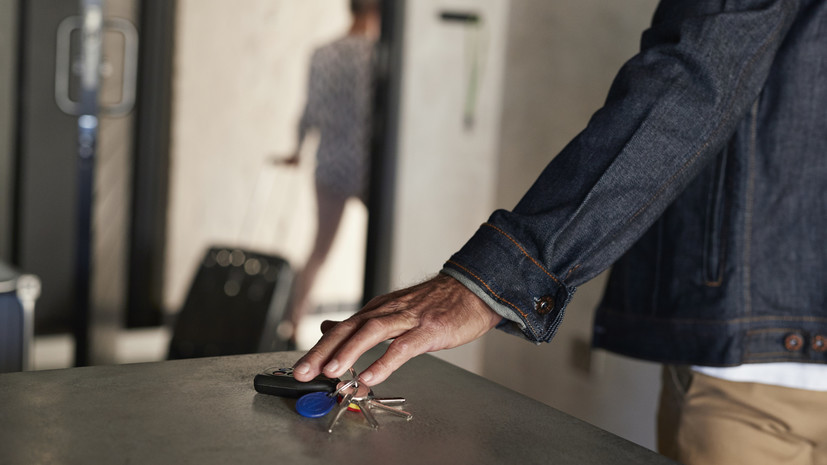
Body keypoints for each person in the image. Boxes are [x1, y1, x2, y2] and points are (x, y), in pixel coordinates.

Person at [294, 0, 827, 463]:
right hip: (765, 362)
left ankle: (293, 310)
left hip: (759, 370)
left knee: (319, 247)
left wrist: (491, 283)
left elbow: (697, 77)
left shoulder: (327, 53)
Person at [280, 0, 380, 346]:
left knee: (319, 249)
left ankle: (292, 325)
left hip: (331, 164)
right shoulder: (376, 55)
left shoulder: (322, 53)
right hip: (369, 167)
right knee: (384, 243)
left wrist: (297, 150)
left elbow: (309, 110)